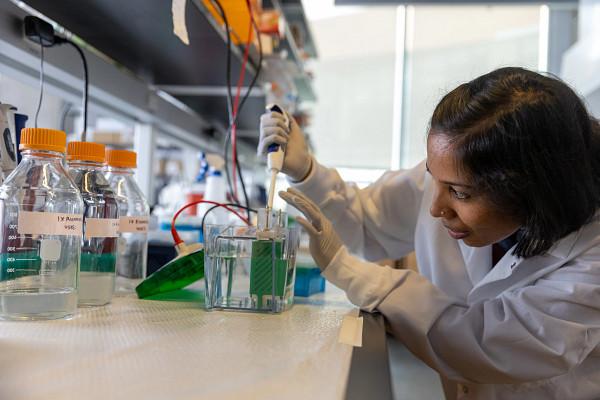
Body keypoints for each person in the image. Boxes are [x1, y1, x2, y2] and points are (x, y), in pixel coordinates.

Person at [258, 67, 600, 400]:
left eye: (460, 194)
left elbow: (487, 343)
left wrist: (352, 273)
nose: (435, 208)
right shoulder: (454, 170)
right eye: (431, 176)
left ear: (533, 191)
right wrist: (306, 170)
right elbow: (369, 220)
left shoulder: (592, 257)